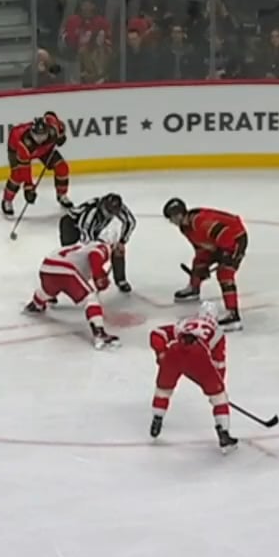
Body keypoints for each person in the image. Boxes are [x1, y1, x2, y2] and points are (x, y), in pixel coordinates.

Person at [149, 302, 236, 453]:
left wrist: (161, 353)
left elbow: (157, 333)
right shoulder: (218, 332)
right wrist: (216, 387)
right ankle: (224, 434)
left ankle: (157, 418)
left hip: (175, 351)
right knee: (219, 398)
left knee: (164, 389)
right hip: (199, 355)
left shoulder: (185, 323)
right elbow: (218, 362)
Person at [164, 198, 246, 329]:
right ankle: (194, 288)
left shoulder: (200, 222)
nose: (171, 221)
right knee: (199, 261)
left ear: (178, 215)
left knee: (224, 274)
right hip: (218, 243)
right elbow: (200, 247)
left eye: (171, 217)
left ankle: (233, 315)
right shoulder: (185, 227)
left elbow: (223, 233)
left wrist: (224, 258)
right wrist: (202, 269)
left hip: (235, 239)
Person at [22, 240, 120, 350]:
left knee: (48, 291)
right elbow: (94, 255)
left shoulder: (83, 246)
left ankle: (36, 304)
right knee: (90, 298)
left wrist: (99, 277)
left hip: (46, 267)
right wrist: (100, 277)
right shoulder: (104, 247)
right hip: (65, 269)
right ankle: (99, 334)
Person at [1, 111, 73, 217]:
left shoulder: (53, 131)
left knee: (62, 167)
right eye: (37, 136)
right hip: (16, 150)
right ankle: (7, 200)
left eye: (43, 136)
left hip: (45, 150)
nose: (40, 139)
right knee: (17, 175)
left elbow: (50, 115)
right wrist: (29, 187)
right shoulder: (24, 145)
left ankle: (62, 195)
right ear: (31, 133)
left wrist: (61, 135)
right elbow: (25, 168)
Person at [60, 192, 136, 292]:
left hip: (94, 225)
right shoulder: (91, 212)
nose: (110, 215)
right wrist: (96, 250)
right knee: (71, 253)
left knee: (117, 249)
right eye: (109, 211)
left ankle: (120, 280)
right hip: (71, 224)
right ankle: (67, 276)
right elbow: (86, 235)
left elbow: (130, 222)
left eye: (113, 213)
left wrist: (122, 241)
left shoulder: (119, 208)